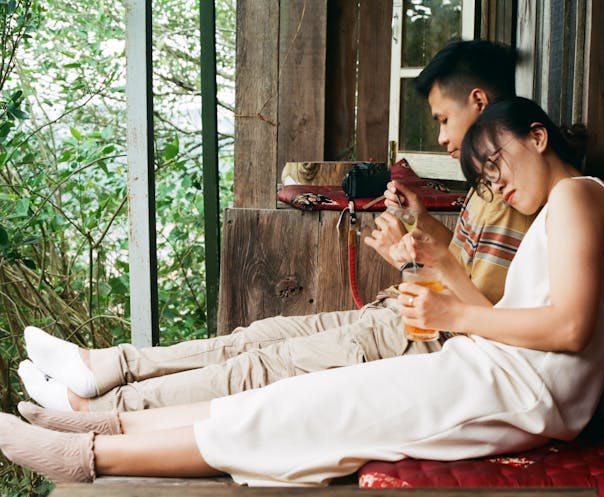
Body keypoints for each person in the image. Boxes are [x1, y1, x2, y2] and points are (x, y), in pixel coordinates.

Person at [0, 97, 604, 486]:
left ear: (539, 137)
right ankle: (105, 425)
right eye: (483, 175)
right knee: (296, 392)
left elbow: (568, 330)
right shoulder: (562, 208)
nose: (495, 184)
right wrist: (440, 266)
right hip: (487, 370)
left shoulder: (577, 196)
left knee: (302, 416)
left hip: (512, 393)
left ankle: (89, 456)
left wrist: (455, 312)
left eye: (496, 165)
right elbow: (511, 318)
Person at [17, 40, 534, 414]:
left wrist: (418, 260)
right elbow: (467, 260)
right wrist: (420, 221)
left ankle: (101, 412)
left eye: (443, 119)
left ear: (480, 104)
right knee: (254, 338)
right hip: (395, 315)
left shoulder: (519, 191)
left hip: (424, 339)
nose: (441, 136)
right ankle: (104, 366)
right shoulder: (491, 182)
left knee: (258, 368)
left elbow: (483, 313)